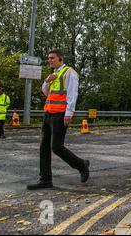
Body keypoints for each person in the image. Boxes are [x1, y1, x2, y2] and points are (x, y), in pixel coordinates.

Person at [27, 50, 90, 190]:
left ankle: (82, 165)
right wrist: (46, 81)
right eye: (48, 58)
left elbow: (73, 94)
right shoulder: (53, 75)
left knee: (56, 147)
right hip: (48, 113)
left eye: (52, 58)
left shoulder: (69, 73)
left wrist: (69, 113)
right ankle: (45, 180)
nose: (49, 60)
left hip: (61, 114)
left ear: (60, 58)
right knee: (44, 147)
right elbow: (47, 93)